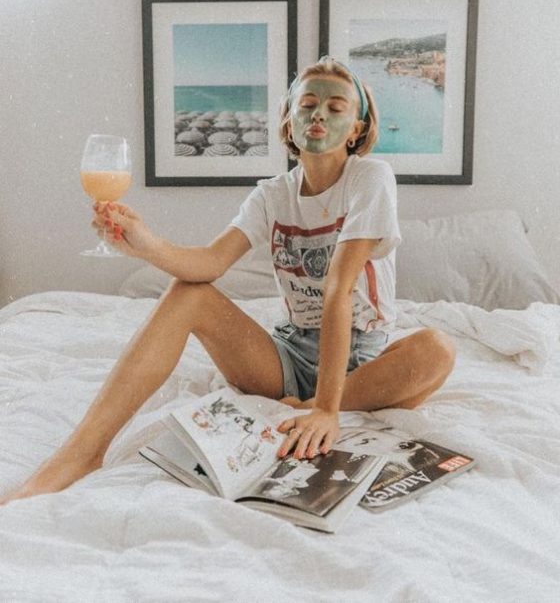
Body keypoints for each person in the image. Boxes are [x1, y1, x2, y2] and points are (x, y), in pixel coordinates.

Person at [0, 56, 455, 506]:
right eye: (307, 104)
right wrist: (143, 243)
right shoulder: (271, 195)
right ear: (289, 121)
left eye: (337, 108)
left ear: (355, 129)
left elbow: (338, 290)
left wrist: (326, 409)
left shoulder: (371, 178)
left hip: (360, 359)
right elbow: (209, 265)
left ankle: (323, 405)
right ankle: (82, 453)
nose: (319, 113)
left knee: (437, 349)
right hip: (288, 357)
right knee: (187, 294)